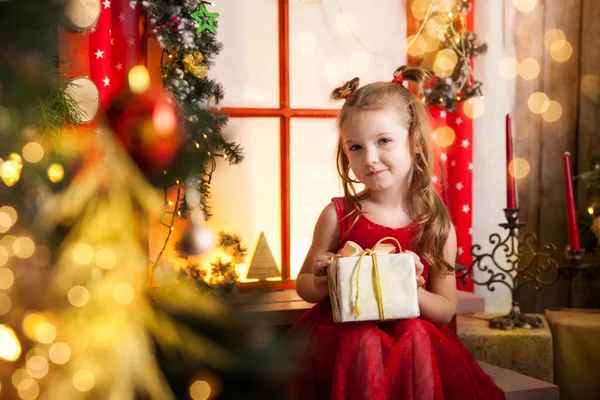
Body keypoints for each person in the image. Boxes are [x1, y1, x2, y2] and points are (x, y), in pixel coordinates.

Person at [290, 66, 505, 399]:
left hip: (414, 349)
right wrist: (322, 281)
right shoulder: (338, 215)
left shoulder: (437, 226)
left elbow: (445, 309)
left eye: (384, 141)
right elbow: (303, 283)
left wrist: (403, 286)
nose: (370, 158)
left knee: (416, 332)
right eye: (356, 147)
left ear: (415, 143)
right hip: (343, 343)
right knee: (358, 337)